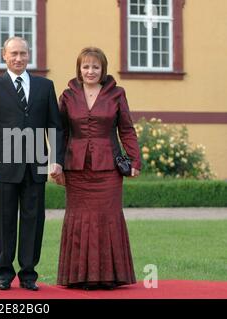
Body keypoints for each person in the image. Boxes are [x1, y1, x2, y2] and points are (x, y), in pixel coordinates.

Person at [0, 36, 64, 291]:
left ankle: (29, 274)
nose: (18, 58)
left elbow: (55, 126)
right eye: (13, 53)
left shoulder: (45, 86)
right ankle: (4, 273)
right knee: (4, 221)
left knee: (33, 220)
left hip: (36, 165)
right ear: (4, 55)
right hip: (4, 166)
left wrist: (56, 160)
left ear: (29, 55)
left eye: (23, 54)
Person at [55, 47, 141, 290]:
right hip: (77, 168)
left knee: (107, 218)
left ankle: (108, 276)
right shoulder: (68, 95)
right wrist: (57, 162)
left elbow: (126, 129)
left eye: (95, 67)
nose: (90, 71)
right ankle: (79, 276)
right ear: (79, 69)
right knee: (79, 219)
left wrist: (135, 160)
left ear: (103, 69)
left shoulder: (116, 94)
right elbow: (61, 132)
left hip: (108, 169)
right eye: (86, 67)